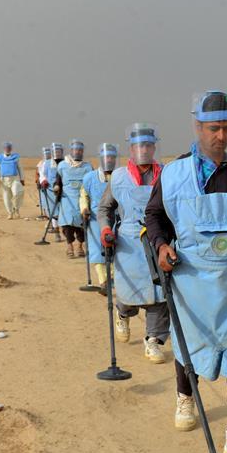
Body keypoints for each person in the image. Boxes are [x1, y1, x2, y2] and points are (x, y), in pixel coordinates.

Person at [144, 91, 227, 453]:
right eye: (214, 128)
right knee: (190, 346)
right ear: (198, 127)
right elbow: (154, 218)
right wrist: (162, 244)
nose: (221, 136)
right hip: (192, 278)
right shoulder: (175, 173)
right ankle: (186, 394)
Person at [97, 124, 170, 362]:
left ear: (154, 147)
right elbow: (105, 208)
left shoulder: (167, 174)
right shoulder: (118, 177)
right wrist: (106, 228)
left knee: (161, 295)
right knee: (130, 293)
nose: (145, 150)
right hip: (129, 244)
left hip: (158, 240)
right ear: (131, 149)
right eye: (140, 146)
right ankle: (123, 313)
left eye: (149, 145)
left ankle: (153, 341)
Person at [80, 143, 117, 294]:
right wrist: (84, 209)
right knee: (97, 250)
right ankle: (104, 281)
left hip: (116, 219)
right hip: (96, 220)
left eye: (112, 157)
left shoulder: (121, 175)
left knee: (116, 250)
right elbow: (84, 195)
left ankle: (113, 279)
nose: (109, 159)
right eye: (106, 157)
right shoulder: (89, 178)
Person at [53, 139, 93, 259]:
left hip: (82, 200)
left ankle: (80, 246)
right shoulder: (62, 166)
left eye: (80, 150)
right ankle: (69, 245)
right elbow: (58, 181)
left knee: (82, 224)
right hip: (67, 200)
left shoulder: (88, 167)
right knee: (67, 225)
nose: (78, 152)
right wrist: (56, 187)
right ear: (71, 150)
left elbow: (92, 183)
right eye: (76, 149)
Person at [0, 141, 25, 219]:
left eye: (9, 148)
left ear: (11, 148)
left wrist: (22, 178)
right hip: (4, 180)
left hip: (15, 179)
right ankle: (10, 213)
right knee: (6, 197)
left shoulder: (16, 157)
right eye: (6, 148)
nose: (7, 149)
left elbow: (20, 168)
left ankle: (16, 208)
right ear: (4, 149)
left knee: (18, 193)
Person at [40, 143, 64, 241]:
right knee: (54, 212)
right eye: (55, 151)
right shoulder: (47, 163)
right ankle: (57, 231)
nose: (57, 153)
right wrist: (43, 181)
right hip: (51, 191)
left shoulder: (66, 162)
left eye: (59, 151)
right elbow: (42, 174)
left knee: (63, 211)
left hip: (64, 191)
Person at [34, 147, 51, 220]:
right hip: (42, 184)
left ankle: (51, 215)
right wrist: (37, 181)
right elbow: (37, 173)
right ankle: (46, 214)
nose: (47, 155)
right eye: (45, 153)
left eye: (48, 153)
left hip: (50, 184)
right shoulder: (40, 163)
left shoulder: (52, 162)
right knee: (43, 199)